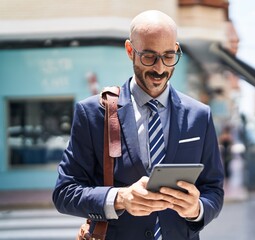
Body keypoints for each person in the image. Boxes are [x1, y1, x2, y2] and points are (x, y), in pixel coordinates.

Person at [52, 10, 224, 240]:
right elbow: (64, 192)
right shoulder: (92, 113)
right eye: (149, 57)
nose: (160, 69)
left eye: (169, 56)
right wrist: (120, 198)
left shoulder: (200, 115)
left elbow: (213, 190)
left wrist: (196, 210)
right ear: (130, 51)